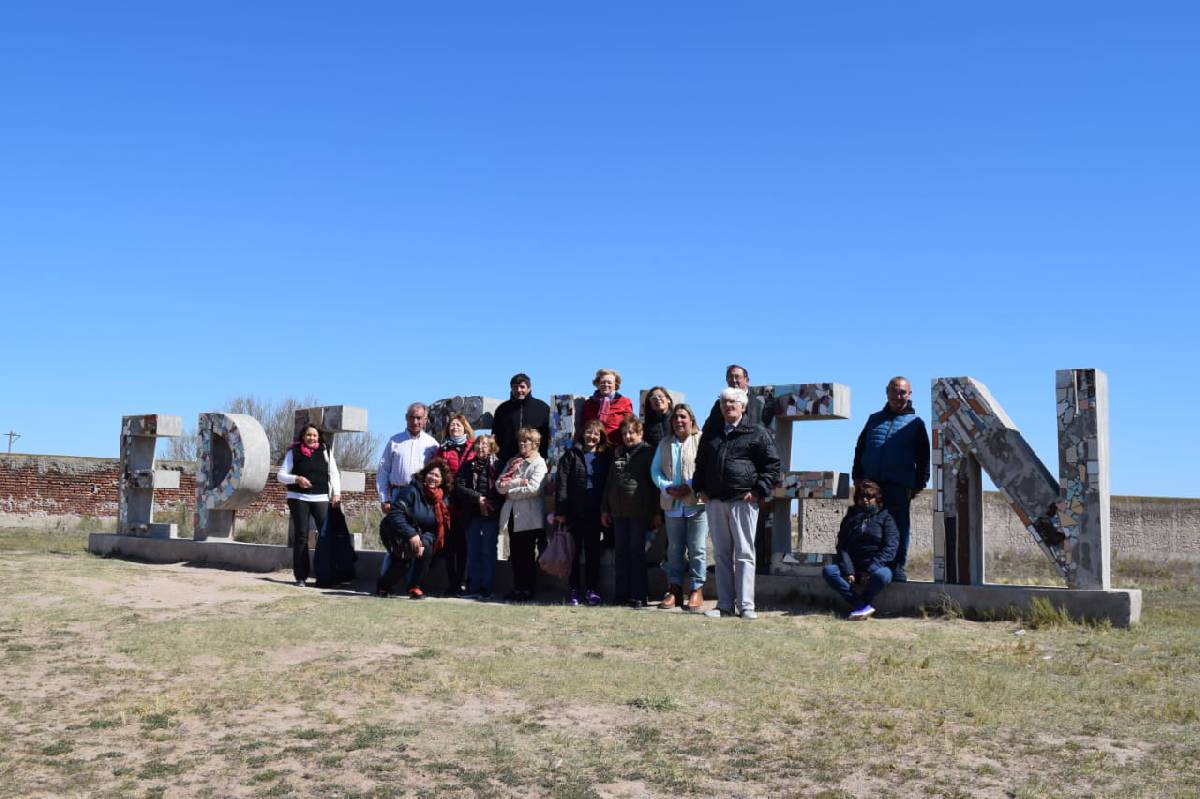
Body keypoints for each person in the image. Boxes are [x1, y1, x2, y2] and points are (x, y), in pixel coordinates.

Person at [694, 387, 781, 620]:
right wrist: (699, 489)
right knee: (722, 555)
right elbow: (700, 463)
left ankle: (746, 606)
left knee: (744, 554)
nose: (728, 406)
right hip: (715, 501)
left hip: (744, 501)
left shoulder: (757, 433)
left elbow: (772, 465)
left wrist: (758, 491)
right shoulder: (711, 433)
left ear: (743, 406)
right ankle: (724, 606)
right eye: (724, 402)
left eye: (733, 402)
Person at [851, 376, 931, 582]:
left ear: (910, 394)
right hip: (871, 487)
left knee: (899, 528)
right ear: (887, 392)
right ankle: (865, 568)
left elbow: (924, 458)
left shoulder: (916, 423)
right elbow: (860, 449)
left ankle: (897, 569)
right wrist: (857, 477)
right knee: (866, 527)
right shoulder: (873, 419)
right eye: (894, 391)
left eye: (903, 392)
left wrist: (918, 485)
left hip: (898, 485)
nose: (898, 396)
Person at [650, 404, 707, 612]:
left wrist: (689, 486)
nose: (679, 421)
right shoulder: (665, 443)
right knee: (674, 549)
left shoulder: (701, 440)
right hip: (672, 504)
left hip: (697, 503)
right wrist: (667, 487)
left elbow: (706, 467)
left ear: (691, 419)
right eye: (675, 418)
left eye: (683, 417)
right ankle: (674, 589)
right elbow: (655, 470)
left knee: (697, 548)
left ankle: (696, 588)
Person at [601, 417, 659, 608]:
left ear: (640, 433)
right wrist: (605, 509)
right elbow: (610, 483)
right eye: (624, 433)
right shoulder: (618, 453)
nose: (627, 436)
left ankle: (639, 595)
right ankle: (621, 594)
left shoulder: (649, 453)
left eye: (631, 433)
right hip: (618, 512)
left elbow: (654, 485)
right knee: (621, 554)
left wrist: (656, 512)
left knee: (636, 553)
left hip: (639, 511)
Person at [376, 459, 454, 599]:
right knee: (403, 559)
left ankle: (415, 587)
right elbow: (395, 514)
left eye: (437, 476)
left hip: (419, 534)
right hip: (395, 529)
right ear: (425, 474)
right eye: (431, 474)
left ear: (442, 480)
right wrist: (411, 535)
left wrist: (423, 542)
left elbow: (436, 527)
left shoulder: (442, 500)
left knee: (427, 550)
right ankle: (383, 586)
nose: (433, 478)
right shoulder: (411, 490)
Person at [554, 419, 612, 606]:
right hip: (573, 512)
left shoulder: (605, 457)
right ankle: (574, 589)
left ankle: (592, 589)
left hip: (595, 512)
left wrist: (606, 509)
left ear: (601, 436)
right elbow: (561, 483)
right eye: (588, 432)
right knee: (574, 552)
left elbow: (608, 485)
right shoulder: (571, 455)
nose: (592, 436)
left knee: (593, 551)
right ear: (582, 433)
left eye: (596, 433)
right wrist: (561, 511)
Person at [277, 424, 342, 587]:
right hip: (298, 497)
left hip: (321, 497)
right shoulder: (294, 452)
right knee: (301, 536)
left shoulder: (326, 451)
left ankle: (325, 576)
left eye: (314, 435)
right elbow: (281, 476)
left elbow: (333, 473)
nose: (311, 438)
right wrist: (297, 479)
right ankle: (301, 576)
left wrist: (336, 493)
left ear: (319, 437)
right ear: (303, 437)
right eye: (308, 435)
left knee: (326, 536)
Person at [822, 480, 898, 620]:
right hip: (853, 567)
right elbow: (842, 545)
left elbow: (890, 547)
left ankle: (861, 604)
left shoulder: (886, 518)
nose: (865, 501)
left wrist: (870, 570)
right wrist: (848, 569)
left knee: (883, 576)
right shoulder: (850, 517)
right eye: (861, 497)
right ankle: (860, 605)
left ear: (877, 498)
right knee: (829, 571)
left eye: (869, 497)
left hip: (875, 567)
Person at [496, 427, 548, 601]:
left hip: (529, 516)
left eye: (526, 441)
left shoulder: (539, 463)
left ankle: (527, 589)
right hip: (511, 514)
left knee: (526, 554)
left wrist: (510, 489)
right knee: (515, 554)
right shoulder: (513, 461)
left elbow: (534, 488)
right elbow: (499, 485)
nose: (522, 444)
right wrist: (518, 482)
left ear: (535, 444)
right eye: (520, 441)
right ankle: (518, 587)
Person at [456, 434, 503, 600]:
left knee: (488, 551)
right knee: (473, 551)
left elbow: (502, 489)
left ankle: (487, 587)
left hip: (491, 515)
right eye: (478, 444)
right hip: (472, 515)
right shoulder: (468, 466)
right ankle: (473, 586)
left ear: (491, 447)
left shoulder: (498, 465)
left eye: (484, 444)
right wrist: (478, 498)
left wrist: (490, 503)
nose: (481, 447)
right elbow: (459, 487)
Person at [436, 414, 475, 595]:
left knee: (464, 545)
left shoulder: (473, 447)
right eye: (452, 425)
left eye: (458, 425)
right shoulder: (442, 449)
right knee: (449, 546)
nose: (455, 428)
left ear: (465, 427)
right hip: (448, 502)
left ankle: (462, 582)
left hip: (467, 502)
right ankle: (452, 584)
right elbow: (436, 471)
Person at [376, 402, 440, 513]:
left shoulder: (432, 444)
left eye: (419, 418)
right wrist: (384, 499)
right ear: (406, 418)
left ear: (425, 420)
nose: (415, 422)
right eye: (411, 417)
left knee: (419, 529)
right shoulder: (394, 441)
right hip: (397, 494)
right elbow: (383, 470)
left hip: (422, 496)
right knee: (396, 529)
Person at [492, 373, 551, 466]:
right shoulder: (502, 409)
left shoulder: (543, 408)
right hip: (507, 463)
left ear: (529, 388)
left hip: (534, 463)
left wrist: (543, 456)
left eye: (522, 387)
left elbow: (549, 436)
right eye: (515, 387)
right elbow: (495, 435)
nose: (519, 390)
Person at [702, 364, 768, 435]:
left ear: (747, 380)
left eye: (737, 377)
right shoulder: (720, 404)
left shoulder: (760, 402)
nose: (733, 380)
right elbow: (708, 429)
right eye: (730, 377)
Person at [582, 368, 634, 446]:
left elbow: (629, 425)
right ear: (597, 384)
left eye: (609, 383)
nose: (606, 385)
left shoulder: (624, 402)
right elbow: (583, 426)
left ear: (615, 385)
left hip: (616, 446)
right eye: (603, 382)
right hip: (594, 446)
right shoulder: (589, 403)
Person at [641, 386, 674, 452]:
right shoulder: (646, 427)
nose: (658, 399)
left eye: (660, 396)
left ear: (668, 400)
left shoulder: (677, 420)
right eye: (653, 398)